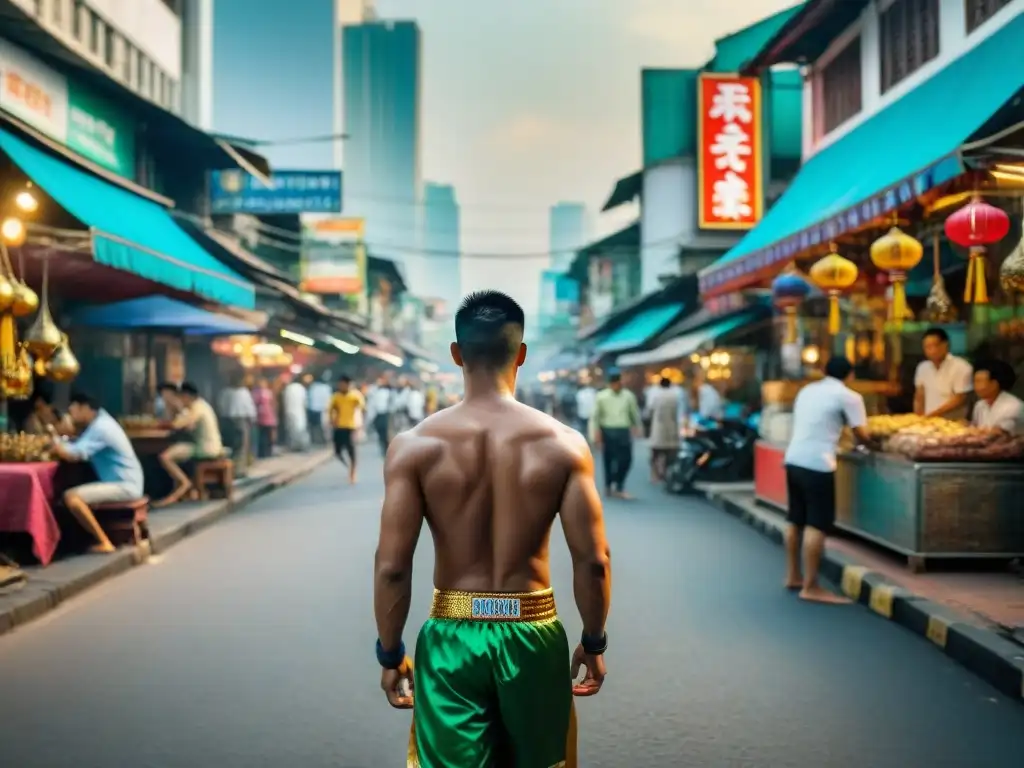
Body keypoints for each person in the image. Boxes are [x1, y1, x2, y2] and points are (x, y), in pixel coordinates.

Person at [373, 291, 611, 767]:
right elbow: (593, 560)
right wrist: (593, 641)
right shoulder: (564, 445)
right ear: (521, 354)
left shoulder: (415, 446)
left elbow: (392, 568)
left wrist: (391, 652)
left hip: (451, 638)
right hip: (533, 632)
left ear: (456, 354)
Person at [783, 356, 872, 604]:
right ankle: (810, 585)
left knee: (795, 519)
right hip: (818, 464)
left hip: (793, 459)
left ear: (824, 371)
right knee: (817, 525)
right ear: (850, 374)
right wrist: (875, 443)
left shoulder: (807, 390)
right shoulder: (850, 397)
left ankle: (793, 575)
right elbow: (861, 434)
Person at [49, 392, 145, 553]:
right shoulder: (101, 423)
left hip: (124, 485)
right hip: (126, 481)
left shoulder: (101, 428)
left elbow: (72, 455)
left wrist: (55, 438)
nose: (71, 415)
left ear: (85, 408)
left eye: (73, 410)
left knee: (72, 497)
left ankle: (104, 542)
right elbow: (78, 446)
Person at [154, 382, 223, 507]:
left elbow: (177, 424)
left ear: (187, 396)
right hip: (206, 445)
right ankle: (182, 486)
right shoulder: (201, 405)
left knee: (165, 456)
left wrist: (175, 408)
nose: (180, 399)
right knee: (175, 450)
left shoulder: (197, 408)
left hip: (205, 448)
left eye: (181, 397)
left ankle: (183, 482)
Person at [589, 370, 642, 499]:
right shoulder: (601, 396)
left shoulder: (628, 396)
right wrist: (594, 435)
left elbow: (634, 413)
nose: (616, 385)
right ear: (609, 384)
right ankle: (609, 485)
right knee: (609, 460)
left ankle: (618, 483)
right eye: (613, 383)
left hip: (623, 430)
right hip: (608, 431)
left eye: (618, 382)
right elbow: (595, 417)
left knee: (626, 459)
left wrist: (637, 427)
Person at [914, 327, 972, 420]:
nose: (931, 350)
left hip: (953, 423)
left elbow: (960, 398)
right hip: (928, 423)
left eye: (935, 345)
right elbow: (919, 396)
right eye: (927, 347)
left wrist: (933, 415)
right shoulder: (922, 367)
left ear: (945, 345)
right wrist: (918, 419)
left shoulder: (961, 366)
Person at [217, 374, 256, 475]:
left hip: (226, 420)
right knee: (241, 446)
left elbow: (220, 406)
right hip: (240, 420)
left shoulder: (224, 392)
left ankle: (230, 470)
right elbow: (250, 409)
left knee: (230, 446)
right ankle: (239, 470)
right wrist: (252, 420)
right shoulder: (243, 392)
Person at [971, 360, 1023, 435]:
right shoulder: (979, 405)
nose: (975, 386)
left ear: (994, 384)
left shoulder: (1014, 406)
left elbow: (1000, 433)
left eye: (979, 381)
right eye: (974, 381)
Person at [329, 375, 365, 483]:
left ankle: (352, 472)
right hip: (339, 426)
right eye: (340, 384)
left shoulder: (355, 396)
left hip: (351, 426)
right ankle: (348, 466)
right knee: (337, 451)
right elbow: (331, 410)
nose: (342, 386)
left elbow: (362, 409)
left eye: (344, 384)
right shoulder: (336, 397)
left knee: (351, 450)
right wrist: (331, 420)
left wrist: (361, 425)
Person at [647, 376, 681, 482]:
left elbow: (650, 409)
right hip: (671, 429)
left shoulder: (656, 395)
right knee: (669, 454)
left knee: (655, 454)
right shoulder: (675, 396)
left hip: (658, 428)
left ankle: (655, 474)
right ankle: (665, 473)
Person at [367, 375, 394, 456]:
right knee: (380, 432)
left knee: (386, 432)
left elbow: (392, 403)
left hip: (386, 414)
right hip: (377, 415)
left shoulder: (388, 392)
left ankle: (387, 448)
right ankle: (383, 448)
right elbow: (372, 403)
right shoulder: (374, 391)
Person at [251, 377, 277, 459]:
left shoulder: (269, 392)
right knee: (261, 436)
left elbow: (273, 404)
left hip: (269, 416)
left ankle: (268, 452)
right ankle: (262, 452)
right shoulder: (255, 392)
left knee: (268, 435)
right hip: (260, 417)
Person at [282, 375, 309, 451]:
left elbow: (285, 402)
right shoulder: (301, 388)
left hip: (289, 412)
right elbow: (305, 402)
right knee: (301, 429)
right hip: (299, 412)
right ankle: (302, 446)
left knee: (291, 431)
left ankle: (293, 446)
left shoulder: (288, 388)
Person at [306, 372, 333, 446]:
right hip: (324, 409)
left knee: (314, 426)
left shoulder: (312, 387)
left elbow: (309, 398)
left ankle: (315, 440)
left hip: (313, 409)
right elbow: (329, 399)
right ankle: (325, 441)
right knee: (325, 427)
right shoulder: (327, 388)